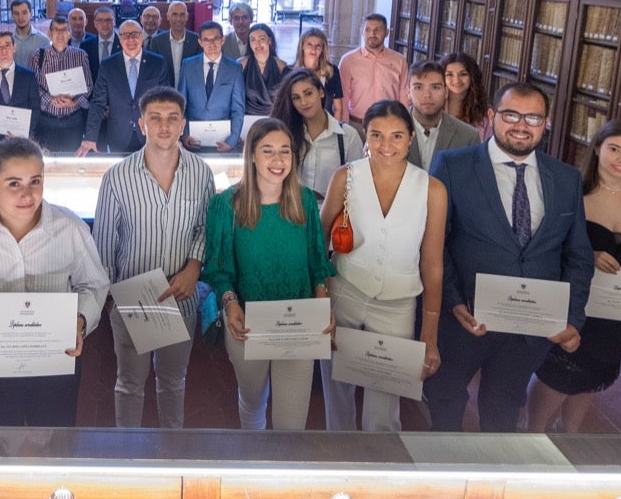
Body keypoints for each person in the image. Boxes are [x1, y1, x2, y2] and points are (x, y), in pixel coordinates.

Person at [425, 82, 595, 433]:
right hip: (463, 320)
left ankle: (494, 480)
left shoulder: (565, 178)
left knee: (503, 410)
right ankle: (442, 476)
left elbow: (578, 255)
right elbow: (434, 241)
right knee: (445, 401)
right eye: (511, 114)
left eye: (533, 117)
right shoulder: (453, 166)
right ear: (491, 116)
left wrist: (573, 318)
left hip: (529, 330)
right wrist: (454, 301)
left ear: (546, 122)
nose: (522, 125)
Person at [0, 137, 110, 426]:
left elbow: (94, 284)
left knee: (55, 440)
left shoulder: (70, 229)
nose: (27, 194)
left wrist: (80, 320)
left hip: (56, 361)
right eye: (14, 183)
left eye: (35, 181)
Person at [527, 120, 621, 433]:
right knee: (558, 376)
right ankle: (531, 435)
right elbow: (541, 250)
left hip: (617, 312)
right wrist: (586, 256)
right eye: (614, 148)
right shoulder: (568, 191)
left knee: (593, 374)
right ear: (597, 148)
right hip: (573, 305)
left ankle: (570, 437)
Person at [317, 100, 445, 432]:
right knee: (337, 390)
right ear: (365, 136)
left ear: (411, 138)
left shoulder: (431, 189)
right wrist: (320, 301)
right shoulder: (345, 177)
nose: (386, 146)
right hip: (344, 293)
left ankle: (378, 465)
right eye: (376, 135)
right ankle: (339, 456)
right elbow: (317, 243)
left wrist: (429, 335)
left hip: (398, 305)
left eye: (397, 136)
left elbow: (432, 265)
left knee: (384, 407)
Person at [92, 86, 215, 428]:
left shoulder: (201, 173)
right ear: (141, 123)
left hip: (181, 299)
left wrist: (194, 266)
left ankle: (171, 450)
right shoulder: (117, 177)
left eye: (172, 118)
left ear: (183, 124)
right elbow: (103, 242)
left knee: (174, 383)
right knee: (130, 384)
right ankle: (127, 454)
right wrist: (112, 301)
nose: (164, 126)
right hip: (132, 300)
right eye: (155, 118)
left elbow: (206, 227)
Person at [201, 118, 334, 430]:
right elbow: (218, 269)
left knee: (291, 423)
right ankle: (253, 466)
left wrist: (322, 301)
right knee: (252, 403)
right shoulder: (225, 204)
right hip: (247, 324)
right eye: (268, 151)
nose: (278, 160)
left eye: (285, 152)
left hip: (298, 323)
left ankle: (285, 475)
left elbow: (317, 261)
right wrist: (230, 302)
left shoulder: (304, 201)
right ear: (252, 156)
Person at [78, 20, 171, 155]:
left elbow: (166, 101)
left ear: (142, 36)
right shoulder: (108, 65)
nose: (131, 39)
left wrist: (170, 134)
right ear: (119, 39)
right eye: (125, 35)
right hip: (118, 135)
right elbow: (98, 103)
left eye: (135, 34)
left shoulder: (157, 62)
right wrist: (90, 137)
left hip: (150, 134)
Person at [271, 68, 362, 200]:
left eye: (308, 93)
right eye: (296, 98)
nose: (303, 102)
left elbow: (357, 187)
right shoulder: (286, 135)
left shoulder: (348, 136)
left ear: (321, 92)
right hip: (292, 214)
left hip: (332, 216)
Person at [339, 13, 411, 133]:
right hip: (356, 125)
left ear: (387, 32)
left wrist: (404, 125)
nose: (372, 34)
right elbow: (343, 97)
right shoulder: (348, 61)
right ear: (362, 32)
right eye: (368, 30)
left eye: (377, 30)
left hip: (389, 126)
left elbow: (404, 95)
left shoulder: (399, 61)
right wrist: (344, 128)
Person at [178, 21, 244, 151]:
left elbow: (238, 108)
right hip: (192, 139)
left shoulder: (234, 68)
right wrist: (184, 135)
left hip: (223, 140)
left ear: (223, 40)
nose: (212, 44)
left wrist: (232, 140)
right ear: (200, 42)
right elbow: (181, 105)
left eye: (216, 39)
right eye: (206, 40)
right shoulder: (188, 66)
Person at [33, 15, 94, 154]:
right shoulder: (38, 56)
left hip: (73, 119)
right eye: (56, 30)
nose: (60, 34)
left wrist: (75, 102)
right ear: (50, 32)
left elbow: (89, 85)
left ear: (70, 33)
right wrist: (51, 99)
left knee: (72, 158)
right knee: (47, 159)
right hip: (47, 119)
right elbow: (34, 87)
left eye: (64, 30)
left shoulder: (80, 55)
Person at [407, 60, 481, 169]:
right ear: (408, 92)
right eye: (418, 87)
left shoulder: (468, 137)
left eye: (435, 87)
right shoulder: (389, 128)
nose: (427, 95)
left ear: (446, 92)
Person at [294, 27, 346, 122]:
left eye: (318, 46)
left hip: (325, 127)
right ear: (302, 46)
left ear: (322, 49)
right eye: (309, 45)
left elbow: (338, 108)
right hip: (298, 126)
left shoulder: (332, 71)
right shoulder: (290, 72)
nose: (314, 49)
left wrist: (336, 132)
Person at [240, 22, 289, 116]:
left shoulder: (281, 66)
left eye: (261, 39)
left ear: (270, 40)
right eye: (253, 40)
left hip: (274, 117)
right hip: (247, 117)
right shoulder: (241, 65)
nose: (257, 44)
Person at [440, 51, 491, 141]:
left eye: (463, 74)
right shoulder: (433, 106)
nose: (457, 80)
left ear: (472, 77)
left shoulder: (484, 115)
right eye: (449, 75)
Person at [148, 0, 193, 77]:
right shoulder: (156, 41)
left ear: (187, 17)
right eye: (174, 14)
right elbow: (153, 70)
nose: (178, 19)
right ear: (168, 16)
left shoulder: (196, 41)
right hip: (165, 88)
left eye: (182, 15)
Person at [78, 5, 118, 81]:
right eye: (100, 20)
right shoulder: (85, 46)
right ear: (95, 24)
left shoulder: (124, 44)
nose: (105, 24)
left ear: (114, 22)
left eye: (108, 20)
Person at [9, 0, 49, 67]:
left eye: (24, 13)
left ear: (31, 14)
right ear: (12, 16)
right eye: (16, 13)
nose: (20, 17)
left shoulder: (43, 40)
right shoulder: (7, 40)